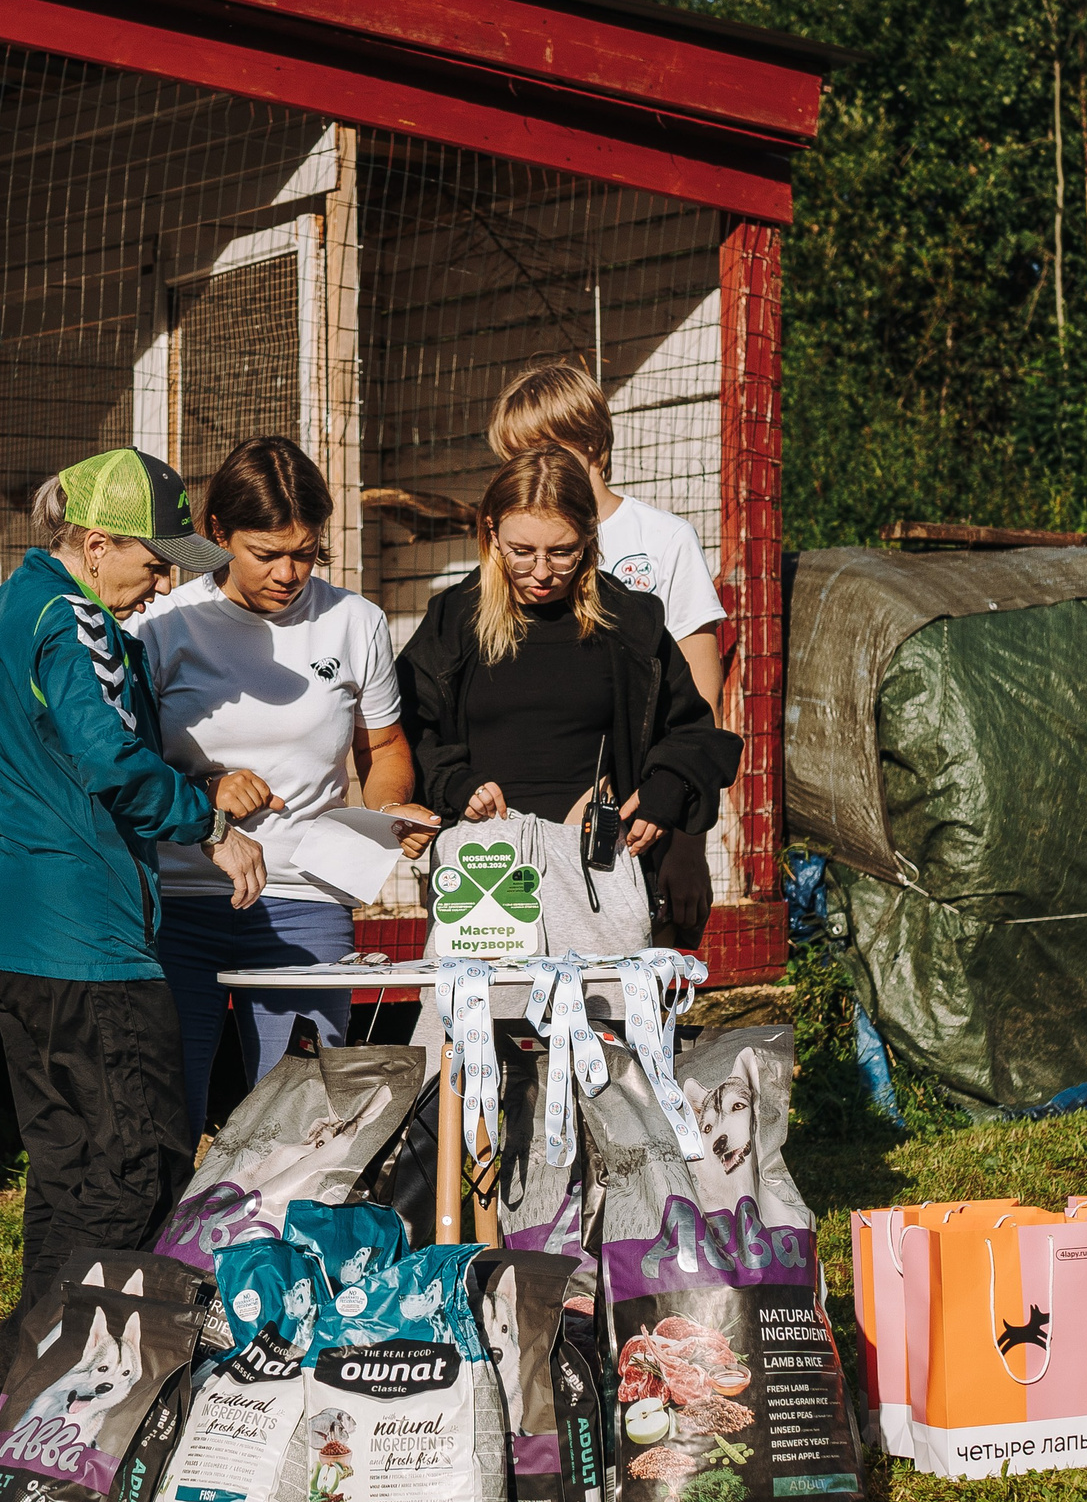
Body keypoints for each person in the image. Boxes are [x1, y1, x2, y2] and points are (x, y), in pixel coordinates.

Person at [0, 445, 267, 1453]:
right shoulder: (77, 623)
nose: (162, 579)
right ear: (95, 541)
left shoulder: (9, 604)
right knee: (139, 1162)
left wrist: (27, 813)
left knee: (71, 1167)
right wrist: (207, 822)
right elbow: (116, 761)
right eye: (151, 559)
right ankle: (55, 1393)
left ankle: (9, 1395)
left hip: (10, 930)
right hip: (89, 943)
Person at [129, 436, 440, 1140]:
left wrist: (388, 808)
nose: (289, 572)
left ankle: (291, 1245)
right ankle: (174, 1243)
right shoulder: (163, 624)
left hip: (308, 897)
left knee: (307, 1112)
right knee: (168, 1103)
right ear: (216, 536)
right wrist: (205, 784)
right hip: (181, 896)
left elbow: (384, 746)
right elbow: (129, 763)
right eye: (266, 554)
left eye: (305, 552)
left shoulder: (354, 621)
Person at [396, 446, 740, 956]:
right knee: (476, 1025)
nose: (541, 572)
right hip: (485, 863)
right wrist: (452, 782)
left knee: (604, 1026)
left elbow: (696, 732)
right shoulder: (454, 622)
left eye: (562, 552)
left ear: (590, 540)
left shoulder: (630, 622)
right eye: (521, 550)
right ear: (491, 535)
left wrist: (665, 790)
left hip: (597, 860)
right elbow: (406, 728)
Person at [488, 363, 727, 941]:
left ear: (591, 443)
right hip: (529, 833)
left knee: (635, 1006)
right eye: (514, 458)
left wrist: (688, 844)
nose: (530, 471)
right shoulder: (514, 547)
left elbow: (702, 702)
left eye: (540, 451)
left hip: (642, 823)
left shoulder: (661, 539)